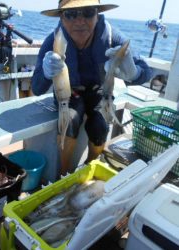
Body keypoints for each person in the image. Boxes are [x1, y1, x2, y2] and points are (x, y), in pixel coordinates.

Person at [31, 0, 152, 175]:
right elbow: (37, 87)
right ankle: (63, 174)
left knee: (100, 125)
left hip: (98, 91)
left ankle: (92, 166)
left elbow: (146, 71)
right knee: (70, 120)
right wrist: (45, 71)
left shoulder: (112, 37)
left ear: (97, 15)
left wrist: (133, 74)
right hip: (69, 93)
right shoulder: (52, 41)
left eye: (87, 12)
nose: (79, 21)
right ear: (61, 18)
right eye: (71, 14)